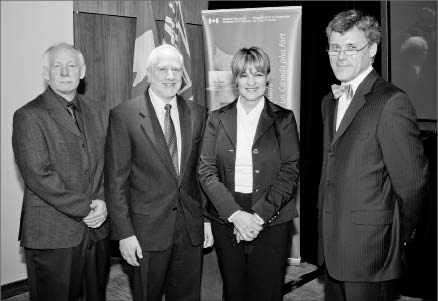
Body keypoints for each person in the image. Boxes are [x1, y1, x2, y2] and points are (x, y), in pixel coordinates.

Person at [318, 9, 429, 301]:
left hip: (371, 252)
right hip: (332, 245)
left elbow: (412, 184)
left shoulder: (391, 101)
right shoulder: (329, 101)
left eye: (351, 47)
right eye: (335, 47)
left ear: (373, 50)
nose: (340, 56)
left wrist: (396, 237)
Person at [105, 44, 213, 301]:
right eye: (162, 69)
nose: (170, 76)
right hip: (144, 233)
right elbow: (115, 181)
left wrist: (207, 219)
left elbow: (202, 173)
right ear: (149, 73)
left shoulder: (198, 114)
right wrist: (124, 234)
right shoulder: (124, 115)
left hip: (190, 229)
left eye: (176, 69)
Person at [199, 46, 300, 301]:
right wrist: (235, 214)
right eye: (244, 75)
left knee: (266, 293)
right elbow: (206, 171)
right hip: (227, 215)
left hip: (271, 216)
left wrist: (255, 217)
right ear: (236, 80)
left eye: (258, 74)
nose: (251, 82)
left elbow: (290, 172)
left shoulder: (284, 119)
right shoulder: (215, 119)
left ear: (268, 78)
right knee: (234, 292)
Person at [12, 43, 110, 300]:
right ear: (46, 74)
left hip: (96, 231)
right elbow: (38, 175)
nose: (65, 72)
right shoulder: (28, 116)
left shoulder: (99, 111)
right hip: (52, 233)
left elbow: (108, 164)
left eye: (72, 66)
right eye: (57, 66)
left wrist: (103, 201)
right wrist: (87, 208)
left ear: (82, 71)